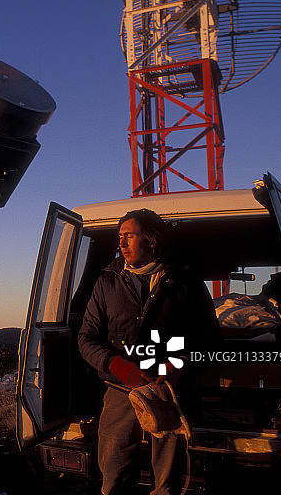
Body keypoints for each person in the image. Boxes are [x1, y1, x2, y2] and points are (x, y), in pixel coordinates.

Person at [78, 209, 218, 495]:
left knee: (167, 483)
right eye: (120, 238)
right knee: (113, 475)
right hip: (119, 390)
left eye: (129, 236)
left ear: (151, 240)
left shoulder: (185, 282)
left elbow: (209, 339)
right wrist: (120, 367)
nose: (122, 244)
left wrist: (178, 364)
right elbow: (87, 339)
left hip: (167, 392)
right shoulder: (107, 281)